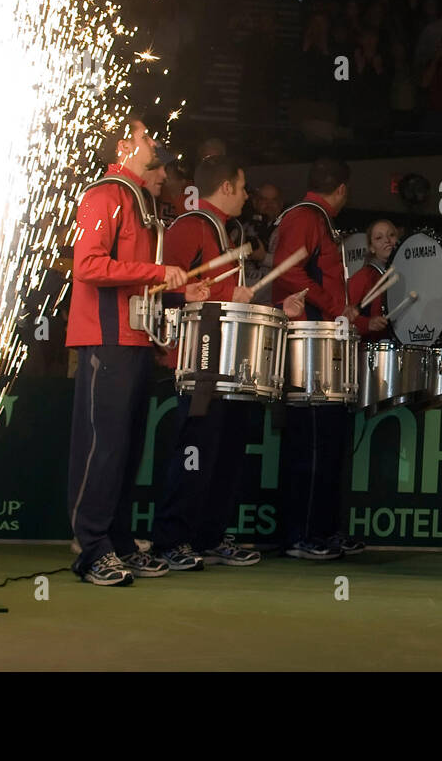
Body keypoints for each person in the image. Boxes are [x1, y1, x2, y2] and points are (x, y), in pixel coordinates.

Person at [151, 156, 303, 572]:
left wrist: (275, 304)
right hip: (201, 361)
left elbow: (229, 297)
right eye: (244, 184)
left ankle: (209, 536)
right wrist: (212, 296)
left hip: (230, 361)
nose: (248, 194)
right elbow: (161, 290)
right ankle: (170, 539)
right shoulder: (190, 226)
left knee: (226, 454)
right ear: (228, 187)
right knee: (195, 452)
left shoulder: (224, 230)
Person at [66, 113, 190, 587]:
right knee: (104, 446)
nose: (157, 153)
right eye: (147, 139)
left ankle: (115, 542)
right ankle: (91, 548)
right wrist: (159, 275)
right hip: (106, 338)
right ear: (124, 146)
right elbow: (90, 265)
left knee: (126, 447)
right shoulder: (104, 195)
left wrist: (175, 291)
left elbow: (134, 273)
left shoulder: (137, 201)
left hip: (133, 339)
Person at [268, 158, 363, 561]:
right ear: (341, 189)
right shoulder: (306, 217)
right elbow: (288, 274)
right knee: (310, 439)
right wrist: (336, 306)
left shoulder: (313, 217)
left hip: (321, 340)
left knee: (326, 439)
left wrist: (339, 308)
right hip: (308, 341)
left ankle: (320, 528)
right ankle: (301, 533)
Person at [347, 218, 397, 341]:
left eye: (391, 235)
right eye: (379, 238)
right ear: (371, 248)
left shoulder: (405, 274)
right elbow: (343, 319)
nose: (387, 240)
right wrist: (367, 323)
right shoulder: (363, 277)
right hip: (371, 351)